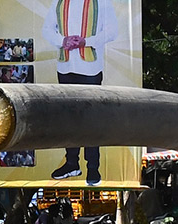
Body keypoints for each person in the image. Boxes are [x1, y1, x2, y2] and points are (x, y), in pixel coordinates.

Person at [40, 0, 118, 185]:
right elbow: (47, 29)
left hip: (90, 69)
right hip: (65, 67)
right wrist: (63, 41)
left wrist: (86, 42)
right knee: (69, 118)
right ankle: (72, 163)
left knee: (91, 119)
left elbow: (112, 31)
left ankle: (93, 168)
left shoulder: (101, 3)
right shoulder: (59, 3)